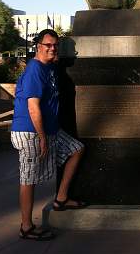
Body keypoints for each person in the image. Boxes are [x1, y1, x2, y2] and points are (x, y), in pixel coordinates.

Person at [11, 29, 86, 241]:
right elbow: (33, 107)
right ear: (38, 46)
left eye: (55, 46)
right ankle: (26, 226)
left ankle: (60, 199)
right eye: (48, 45)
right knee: (29, 178)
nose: (52, 49)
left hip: (50, 129)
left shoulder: (50, 67)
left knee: (76, 149)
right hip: (31, 131)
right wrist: (42, 137)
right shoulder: (35, 69)